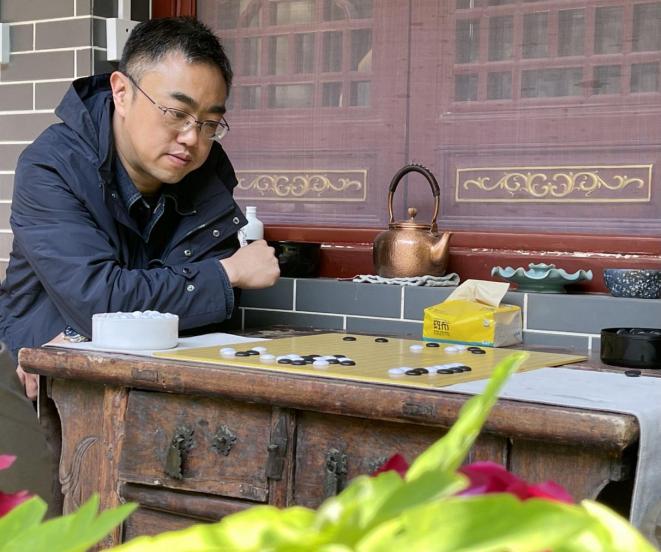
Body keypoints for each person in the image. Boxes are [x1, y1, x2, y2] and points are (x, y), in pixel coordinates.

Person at [0, 17, 280, 399]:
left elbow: (199, 316)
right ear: (121, 93)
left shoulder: (207, 176)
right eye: (176, 113)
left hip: (153, 390)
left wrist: (84, 331)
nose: (192, 138)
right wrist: (227, 273)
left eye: (210, 123)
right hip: (44, 392)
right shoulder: (53, 167)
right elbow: (101, 301)